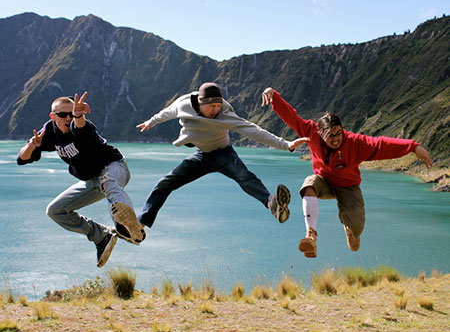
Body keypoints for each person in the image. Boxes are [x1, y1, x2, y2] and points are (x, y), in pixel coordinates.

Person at [261, 87, 433, 258]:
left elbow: (381, 145)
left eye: (338, 133)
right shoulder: (311, 133)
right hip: (324, 182)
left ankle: (350, 229)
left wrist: (413, 147)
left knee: (357, 228)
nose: (336, 139)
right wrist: (274, 97)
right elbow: (292, 117)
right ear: (320, 134)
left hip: (348, 187)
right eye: (330, 136)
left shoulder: (355, 143)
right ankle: (311, 235)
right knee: (308, 185)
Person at [136, 82, 307, 230]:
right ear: (201, 103)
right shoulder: (184, 104)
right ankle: (141, 224)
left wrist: (286, 144)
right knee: (165, 183)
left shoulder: (225, 113)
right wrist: (151, 122)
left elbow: (253, 130)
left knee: (245, 177)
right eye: (211, 106)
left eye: (218, 106)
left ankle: (272, 203)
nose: (215, 110)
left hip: (223, 153)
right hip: (201, 156)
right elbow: (167, 112)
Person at [17, 92, 145, 268]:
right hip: (91, 181)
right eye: (63, 114)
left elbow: (81, 128)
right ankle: (100, 235)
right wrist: (31, 145)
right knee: (55, 211)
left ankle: (125, 225)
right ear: (53, 117)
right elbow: (22, 159)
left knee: (109, 184)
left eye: (71, 113)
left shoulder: (82, 126)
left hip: (114, 167)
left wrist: (79, 115)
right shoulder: (49, 132)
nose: (68, 117)